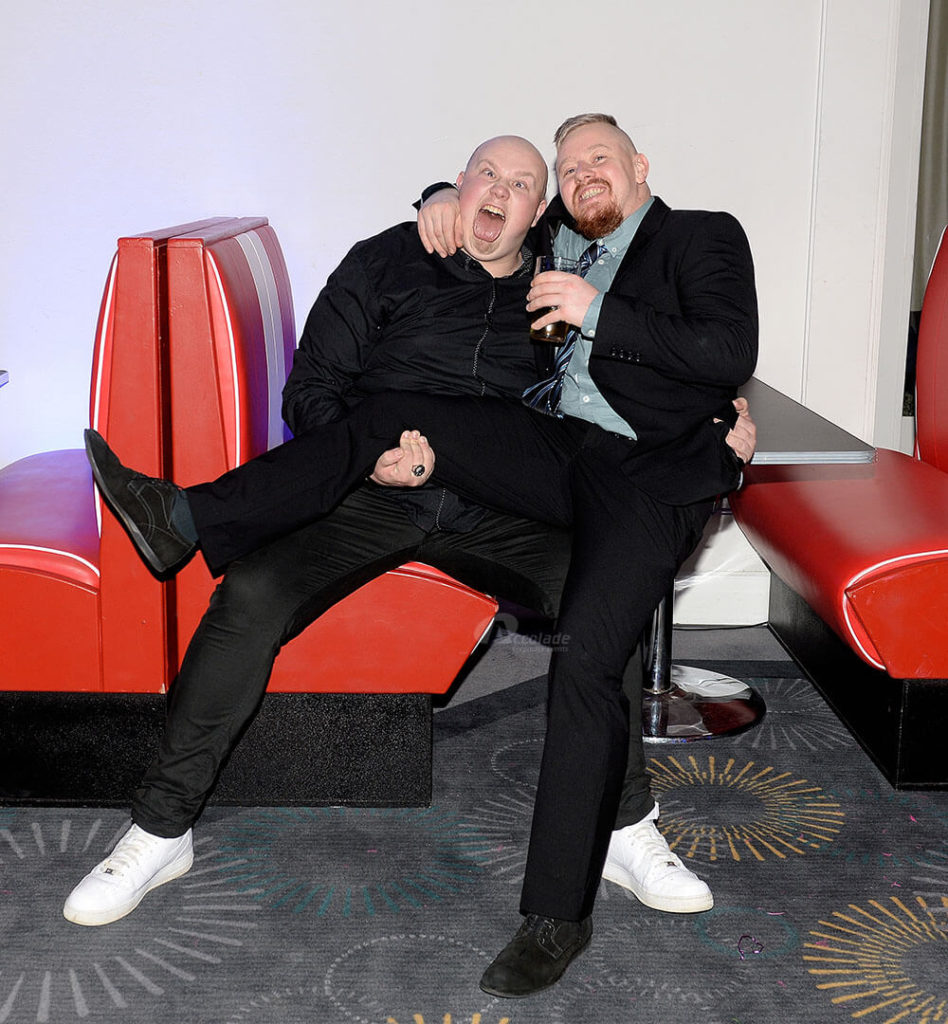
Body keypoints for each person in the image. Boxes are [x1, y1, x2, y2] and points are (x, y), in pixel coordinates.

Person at [65, 132, 755, 952]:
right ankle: (159, 828)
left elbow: (646, 363)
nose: (499, 192)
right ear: (457, 186)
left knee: (601, 595)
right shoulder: (386, 259)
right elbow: (311, 391)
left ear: (542, 215)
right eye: (483, 177)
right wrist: (383, 464)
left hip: (499, 503)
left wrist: (720, 422)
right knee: (248, 594)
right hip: (369, 489)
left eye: (524, 184)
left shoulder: (556, 277)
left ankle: (625, 827)